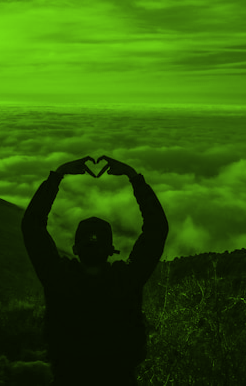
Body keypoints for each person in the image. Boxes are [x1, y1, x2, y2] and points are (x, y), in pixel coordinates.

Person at [21, 155, 169, 386]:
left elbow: (32, 226)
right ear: (111, 250)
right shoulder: (126, 281)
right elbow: (156, 229)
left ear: (75, 249)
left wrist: (57, 176)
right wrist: (133, 177)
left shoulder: (59, 280)